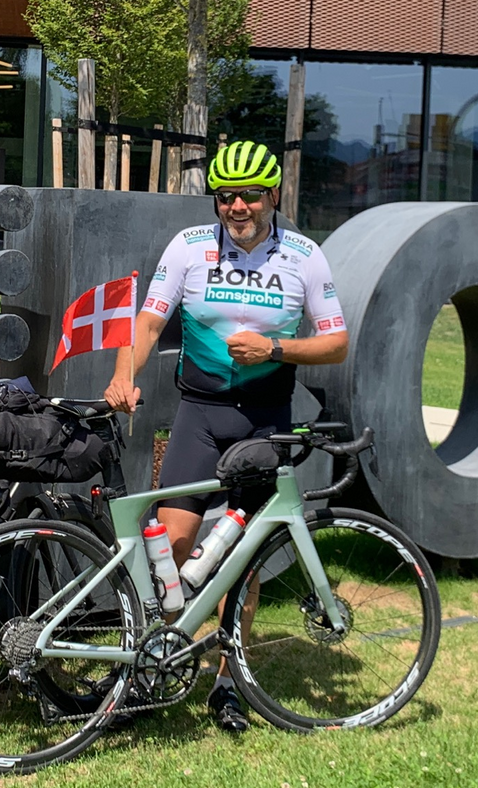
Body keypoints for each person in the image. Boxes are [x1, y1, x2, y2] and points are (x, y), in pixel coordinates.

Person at [104, 139, 349, 733]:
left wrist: (277, 347)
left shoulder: (304, 256)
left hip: (265, 418)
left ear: (274, 196)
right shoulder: (188, 248)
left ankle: (227, 680)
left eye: (251, 196)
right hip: (200, 413)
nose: (238, 207)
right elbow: (149, 319)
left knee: (242, 563)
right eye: (226, 196)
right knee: (174, 545)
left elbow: (337, 340)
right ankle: (145, 666)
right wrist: (121, 373)